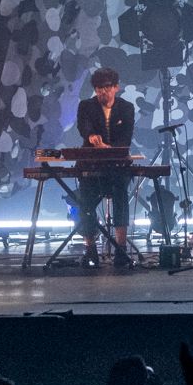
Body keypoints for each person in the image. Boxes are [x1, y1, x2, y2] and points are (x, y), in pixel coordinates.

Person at [75, 68, 136, 267]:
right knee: (86, 200)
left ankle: (121, 249)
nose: (103, 91)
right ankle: (90, 249)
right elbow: (83, 126)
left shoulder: (126, 108)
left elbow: (126, 138)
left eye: (107, 87)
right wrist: (92, 137)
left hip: (117, 164)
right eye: (99, 88)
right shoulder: (86, 106)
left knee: (121, 195)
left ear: (116, 87)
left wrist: (110, 148)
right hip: (91, 164)